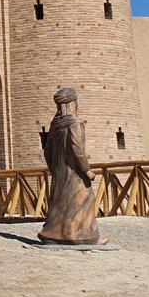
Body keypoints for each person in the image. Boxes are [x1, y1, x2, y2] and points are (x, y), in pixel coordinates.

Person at [39, 87, 107, 245]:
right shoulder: (74, 123)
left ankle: (53, 235)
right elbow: (77, 150)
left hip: (59, 173)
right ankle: (84, 237)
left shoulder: (55, 125)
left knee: (60, 203)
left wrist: (54, 169)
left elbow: (47, 151)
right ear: (72, 103)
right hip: (74, 173)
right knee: (84, 200)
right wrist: (87, 170)